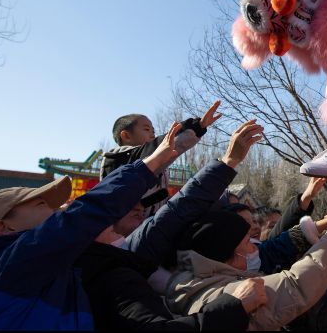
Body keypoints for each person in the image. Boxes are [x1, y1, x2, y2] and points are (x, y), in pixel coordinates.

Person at [0, 122, 188, 330]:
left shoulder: (48, 277)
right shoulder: (0, 267)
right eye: (42, 204)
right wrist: (151, 164)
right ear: (3, 228)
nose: (57, 211)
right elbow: (83, 214)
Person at [75, 119, 269, 331]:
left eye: (143, 206)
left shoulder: (131, 255)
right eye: (130, 206)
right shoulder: (110, 278)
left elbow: (180, 207)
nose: (140, 211)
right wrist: (233, 308)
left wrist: (228, 161)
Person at [165, 199, 327, 331]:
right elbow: (295, 286)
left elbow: (282, 244)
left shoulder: (199, 279)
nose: (254, 248)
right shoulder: (228, 294)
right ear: (228, 254)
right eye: (247, 243)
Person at [101, 101, 222, 215]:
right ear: (126, 136)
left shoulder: (153, 161)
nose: (153, 134)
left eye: (153, 131)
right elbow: (161, 146)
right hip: (124, 227)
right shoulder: (120, 158)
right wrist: (197, 126)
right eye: (147, 129)